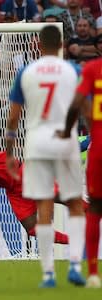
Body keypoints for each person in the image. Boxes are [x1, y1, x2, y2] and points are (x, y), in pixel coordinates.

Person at [6, 25, 86, 288]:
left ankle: (49, 273)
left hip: (37, 144)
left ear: (38, 45)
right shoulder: (73, 71)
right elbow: (83, 106)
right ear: (61, 44)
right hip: (64, 141)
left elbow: (14, 115)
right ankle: (75, 264)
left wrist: (9, 151)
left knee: (44, 207)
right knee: (75, 203)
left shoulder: (25, 73)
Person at [57, 50, 102, 288]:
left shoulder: (93, 70)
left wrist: (66, 131)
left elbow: (77, 102)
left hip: (99, 146)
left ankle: (92, 272)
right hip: (93, 145)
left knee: (93, 208)